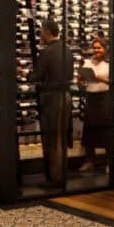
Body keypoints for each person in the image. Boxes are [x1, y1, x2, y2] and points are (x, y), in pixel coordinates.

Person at [28, 19, 74, 187]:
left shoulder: (47, 52)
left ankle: (55, 178)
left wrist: (26, 75)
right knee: (61, 137)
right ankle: (61, 175)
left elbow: (37, 76)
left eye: (41, 31)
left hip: (52, 99)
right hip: (66, 97)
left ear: (47, 32)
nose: (40, 34)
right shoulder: (67, 50)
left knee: (52, 138)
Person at [78, 38, 110, 173]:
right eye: (95, 48)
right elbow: (80, 85)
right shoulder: (87, 63)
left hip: (104, 99)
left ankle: (110, 162)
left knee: (106, 131)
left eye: (99, 48)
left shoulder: (109, 65)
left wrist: (99, 78)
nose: (96, 50)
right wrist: (79, 79)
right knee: (89, 130)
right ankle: (89, 161)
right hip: (91, 98)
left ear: (105, 49)